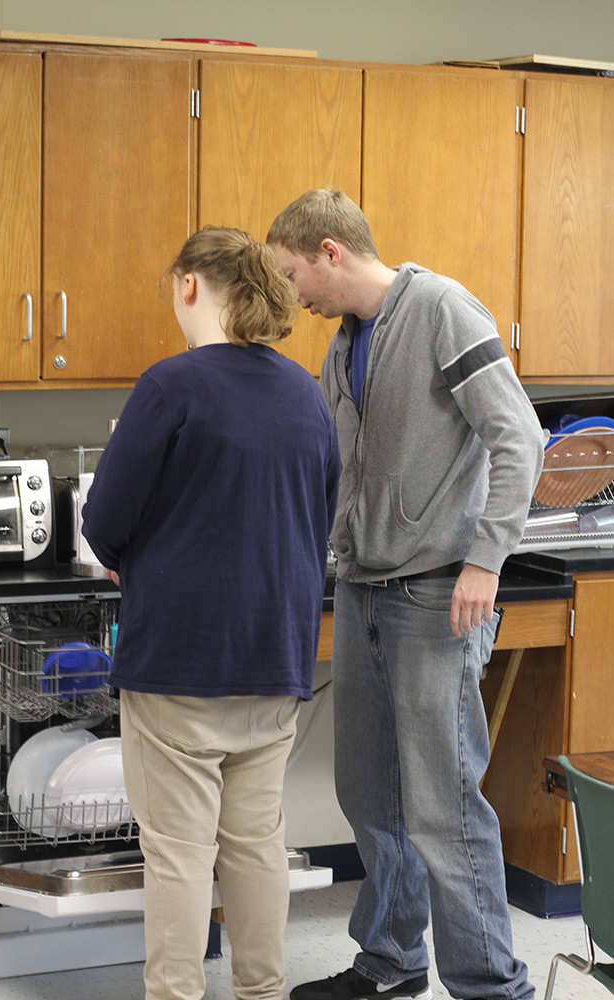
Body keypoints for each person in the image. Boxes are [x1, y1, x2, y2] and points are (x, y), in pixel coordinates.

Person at [267, 190, 545, 1000]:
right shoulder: (342, 344)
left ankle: (492, 984)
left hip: (437, 593)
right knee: (368, 791)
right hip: (361, 590)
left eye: (293, 275)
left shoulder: (441, 310)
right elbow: (335, 472)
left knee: (442, 804)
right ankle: (390, 962)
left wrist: (486, 560)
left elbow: (517, 435)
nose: (294, 296)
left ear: (328, 251)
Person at [82, 225, 340, 1000]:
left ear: (189, 284)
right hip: (276, 656)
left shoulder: (171, 385)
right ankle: (262, 992)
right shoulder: (303, 390)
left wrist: (135, 553)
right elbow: (316, 516)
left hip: (181, 662)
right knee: (258, 845)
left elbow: (103, 522)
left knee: (179, 854)